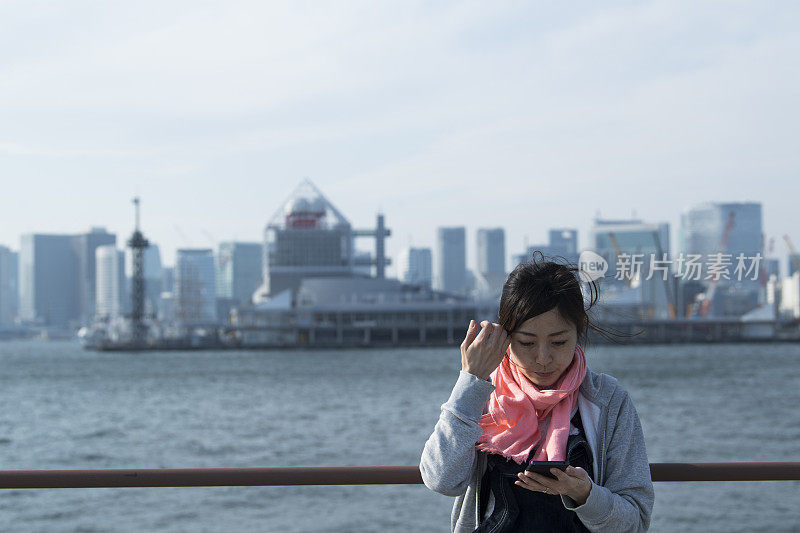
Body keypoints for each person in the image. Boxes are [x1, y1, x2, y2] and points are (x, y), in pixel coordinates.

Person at [419, 253, 654, 532]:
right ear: (505, 338)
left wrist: (586, 496)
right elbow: (441, 479)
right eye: (527, 343)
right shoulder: (481, 393)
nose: (543, 358)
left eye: (558, 342)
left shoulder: (608, 399)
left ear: (579, 333)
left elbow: (636, 521)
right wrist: (470, 380)